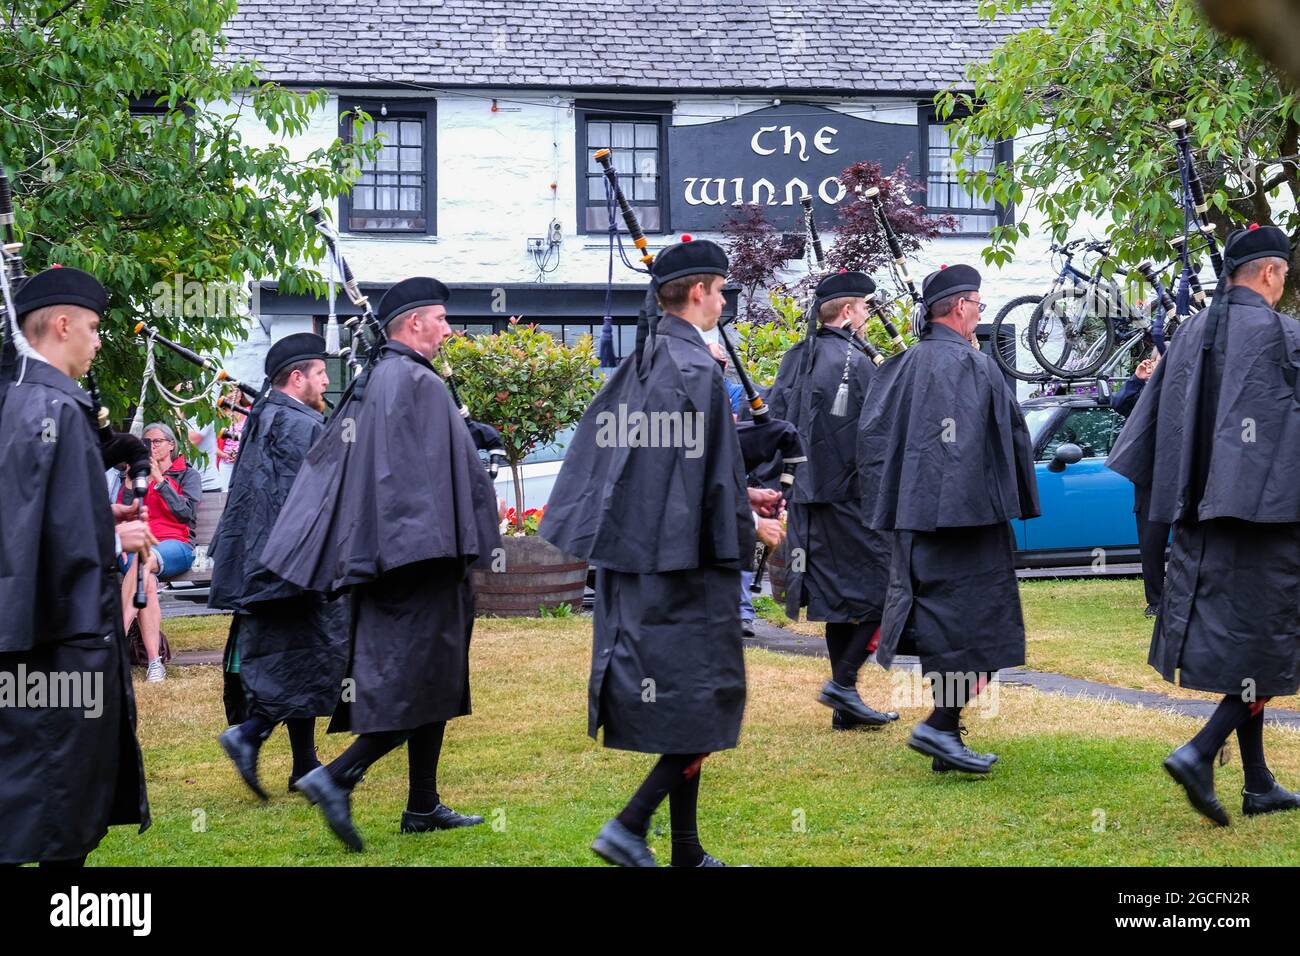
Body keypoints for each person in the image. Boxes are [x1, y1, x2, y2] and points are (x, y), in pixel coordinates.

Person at [541, 238, 786, 867]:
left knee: (684, 704)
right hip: (686, 570)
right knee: (706, 703)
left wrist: (745, 493)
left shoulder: (650, 356)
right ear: (700, 291)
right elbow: (694, 482)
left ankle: (686, 849)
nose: (726, 299)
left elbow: (676, 467)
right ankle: (629, 825)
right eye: (722, 289)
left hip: (649, 559)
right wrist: (749, 527)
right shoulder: (696, 367)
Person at [260, 278, 502, 851]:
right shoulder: (409, 380)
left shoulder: (389, 379)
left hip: (408, 556)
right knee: (413, 679)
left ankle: (422, 803)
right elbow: (403, 484)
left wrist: (465, 437)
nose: (448, 329)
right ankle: (336, 775)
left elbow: (415, 459)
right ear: (414, 323)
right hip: (419, 560)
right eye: (441, 319)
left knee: (433, 678)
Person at [1108, 224, 1300, 825]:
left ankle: (1258, 781)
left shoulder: (1190, 333)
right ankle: (1200, 749)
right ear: (1270, 272)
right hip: (1268, 522)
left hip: (1202, 520)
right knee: (1267, 647)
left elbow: (1148, 426)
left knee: (1247, 645)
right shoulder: (1283, 336)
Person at [857, 264, 1039, 773]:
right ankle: (940, 726)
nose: (980, 315)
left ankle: (947, 738)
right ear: (961, 307)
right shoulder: (974, 367)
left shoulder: (900, 366)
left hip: (915, 520)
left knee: (946, 633)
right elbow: (1009, 436)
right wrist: (1011, 501)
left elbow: (873, 442)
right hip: (969, 523)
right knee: (983, 630)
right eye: (979, 306)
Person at [0, 265, 152, 866]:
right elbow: (62, 544)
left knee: (27, 792)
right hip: (65, 637)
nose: (96, 342)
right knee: (61, 797)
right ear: (61, 326)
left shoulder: (23, 401)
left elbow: (30, 517)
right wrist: (118, 540)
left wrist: (104, 519)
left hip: (34, 629)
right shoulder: (56, 410)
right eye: (92, 329)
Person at [211, 333, 350, 800]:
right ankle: (249, 735)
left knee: (298, 659)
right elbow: (309, 500)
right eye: (320, 374)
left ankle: (303, 762)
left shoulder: (271, 415)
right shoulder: (296, 424)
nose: (326, 382)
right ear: (297, 377)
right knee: (300, 657)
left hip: (268, 564)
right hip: (290, 568)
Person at [767, 271, 899, 731]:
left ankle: (847, 705)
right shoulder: (858, 361)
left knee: (840, 600)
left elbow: (775, 421)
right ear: (847, 312)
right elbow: (880, 431)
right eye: (864, 308)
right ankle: (843, 683)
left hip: (808, 498)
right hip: (852, 498)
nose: (868, 316)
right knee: (885, 590)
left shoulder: (797, 357)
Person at [118, 420, 202, 681]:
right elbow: (124, 514)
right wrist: (132, 480)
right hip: (138, 547)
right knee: (148, 581)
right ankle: (155, 663)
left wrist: (159, 479)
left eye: (156, 442)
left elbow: (185, 513)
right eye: (146, 443)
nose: (151, 447)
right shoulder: (135, 474)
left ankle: (114, 644)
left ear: (170, 445)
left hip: (175, 545)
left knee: (145, 561)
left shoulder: (187, 474)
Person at [1112, 350, 1169, 615]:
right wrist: (1137, 379)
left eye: (1159, 359)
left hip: (1179, 475)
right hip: (1149, 477)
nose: (1154, 363)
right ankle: (1156, 600)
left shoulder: (1183, 386)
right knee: (1151, 540)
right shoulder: (1144, 394)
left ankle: (1184, 594)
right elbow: (1119, 403)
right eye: (1154, 358)